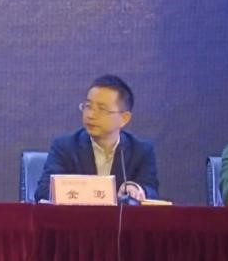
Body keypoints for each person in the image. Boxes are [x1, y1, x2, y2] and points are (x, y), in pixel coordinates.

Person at [33, 74, 159, 203]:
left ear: (124, 118)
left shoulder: (141, 151)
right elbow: (43, 191)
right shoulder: (65, 147)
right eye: (88, 106)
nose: (90, 115)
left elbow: (151, 191)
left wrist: (136, 189)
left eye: (102, 109)